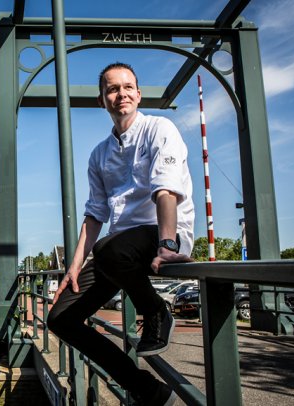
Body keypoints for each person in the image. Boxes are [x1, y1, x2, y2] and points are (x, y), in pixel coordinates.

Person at [48, 62, 195, 406]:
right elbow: (96, 212)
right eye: (112, 89)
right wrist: (73, 265)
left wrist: (168, 244)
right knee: (61, 319)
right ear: (102, 100)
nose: (121, 94)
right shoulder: (99, 154)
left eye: (128, 87)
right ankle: (148, 389)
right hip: (118, 249)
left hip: (161, 232)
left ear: (139, 94)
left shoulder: (160, 129)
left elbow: (165, 190)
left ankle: (156, 310)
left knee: (111, 249)